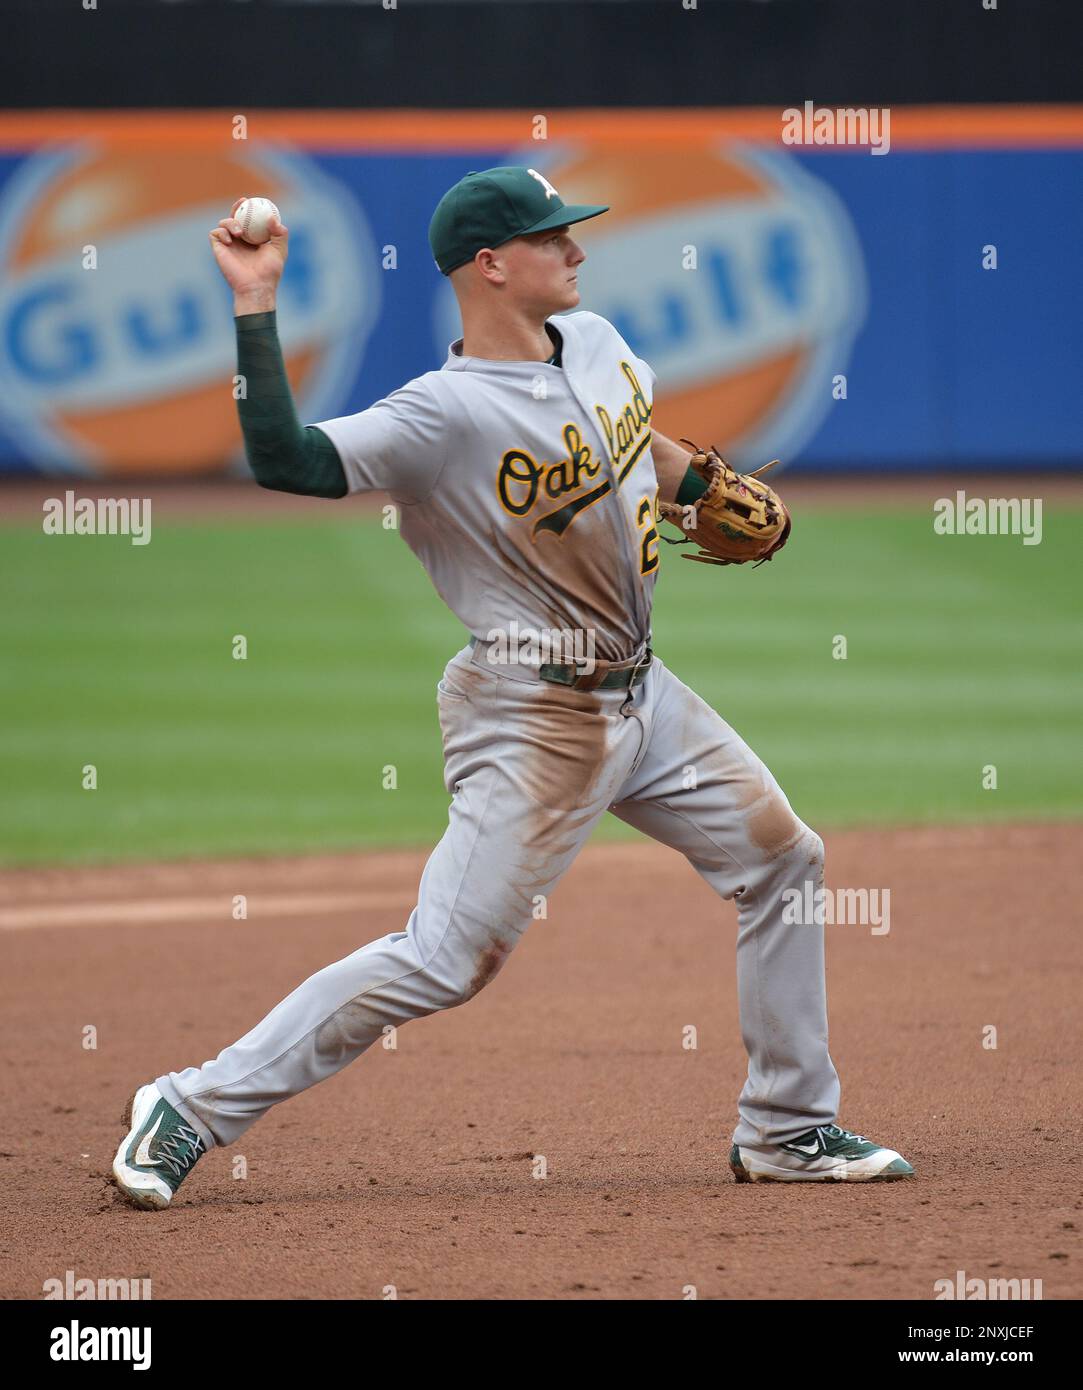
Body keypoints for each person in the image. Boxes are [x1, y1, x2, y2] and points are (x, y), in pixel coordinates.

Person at [113, 166, 913, 1210]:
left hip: (645, 694)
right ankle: (190, 1105)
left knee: (784, 860)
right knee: (445, 958)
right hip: (531, 713)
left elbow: (635, 447)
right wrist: (255, 301)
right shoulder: (437, 416)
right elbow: (283, 456)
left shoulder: (600, 342)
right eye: (552, 238)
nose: (576, 250)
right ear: (491, 265)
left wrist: (703, 485)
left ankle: (788, 1127)